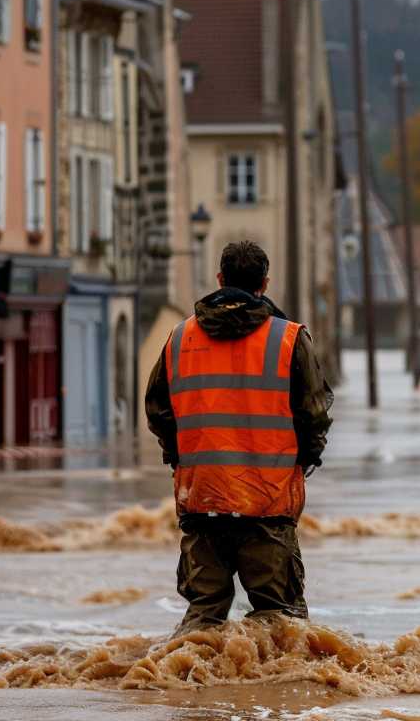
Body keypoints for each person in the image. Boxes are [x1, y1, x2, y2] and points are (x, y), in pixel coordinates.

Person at [145, 240, 332, 635]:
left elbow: (157, 409)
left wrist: (180, 456)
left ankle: (181, 685)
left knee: (203, 617)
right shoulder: (289, 338)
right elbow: (314, 412)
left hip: (203, 497)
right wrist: (305, 457)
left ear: (219, 279)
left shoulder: (179, 338)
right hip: (267, 499)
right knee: (281, 622)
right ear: (264, 283)